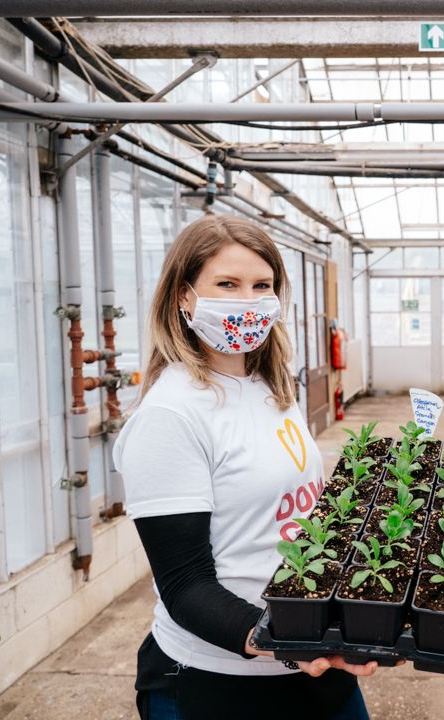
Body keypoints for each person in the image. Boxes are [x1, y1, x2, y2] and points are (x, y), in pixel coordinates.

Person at [115, 215, 379, 719]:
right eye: (227, 284)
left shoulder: (271, 387)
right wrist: (294, 639)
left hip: (313, 667)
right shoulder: (172, 414)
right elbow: (186, 586)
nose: (248, 300)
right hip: (219, 684)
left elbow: (294, 518)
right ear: (183, 297)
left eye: (262, 285)